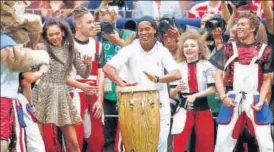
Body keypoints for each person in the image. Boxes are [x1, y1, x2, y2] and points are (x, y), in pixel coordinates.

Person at [103, 16, 181, 152]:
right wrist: (121, 83)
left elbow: (177, 74)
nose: (144, 33)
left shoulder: (161, 49)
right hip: (134, 105)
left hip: (160, 105)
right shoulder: (130, 49)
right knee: (134, 146)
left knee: (160, 145)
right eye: (141, 30)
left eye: (147, 29)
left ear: (155, 31)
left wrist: (157, 79)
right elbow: (108, 68)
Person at [210, 12, 274, 152]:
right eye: (238, 24)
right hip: (232, 98)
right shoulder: (228, 48)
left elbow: (267, 80)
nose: (238, 27)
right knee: (221, 143)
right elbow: (218, 75)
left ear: (253, 29)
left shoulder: (265, 50)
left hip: (255, 98)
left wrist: (261, 100)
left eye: (242, 24)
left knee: (266, 143)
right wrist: (223, 97)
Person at [31, 18, 92, 152]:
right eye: (51, 35)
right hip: (43, 92)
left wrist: (88, 63)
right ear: (46, 36)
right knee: (39, 140)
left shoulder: (71, 49)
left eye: (57, 33)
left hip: (61, 95)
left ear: (63, 33)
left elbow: (84, 74)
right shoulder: (41, 48)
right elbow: (36, 69)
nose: (54, 37)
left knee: (74, 142)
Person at [0, 1, 50, 152]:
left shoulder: (10, 40)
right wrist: (40, 57)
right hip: (5, 100)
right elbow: (18, 61)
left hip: (13, 98)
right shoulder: (5, 42)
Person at [94, 5, 135, 151]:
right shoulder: (96, 39)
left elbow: (137, 55)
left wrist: (119, 42)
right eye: (102, 23)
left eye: (108, 23)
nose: (105, 27)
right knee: (106, 133)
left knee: (125, 132)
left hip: (124, 88)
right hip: (105, 91)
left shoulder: (128, 34)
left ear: (115, 20)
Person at [170, 29, 216, 152]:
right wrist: (177, 89)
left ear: (199, 49)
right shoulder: (177, 66)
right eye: (185, 46)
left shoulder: (207, 65)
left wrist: (196, 95)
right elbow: (171, 93)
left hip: (203, 108)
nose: (188, 49)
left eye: (192, 46)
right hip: (183, 108)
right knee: (178, 144)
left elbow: (213, 88)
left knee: (205, 145)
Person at [69, 6, 105, 151]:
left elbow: (101, 74)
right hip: (74, 95)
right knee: (75, 141)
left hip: (94, 97)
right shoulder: (67, 44)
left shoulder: (98, 45)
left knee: (97, 141)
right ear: (78, 24)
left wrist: (100, 100)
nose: (93, 25)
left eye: (93, 22)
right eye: (89, 22)